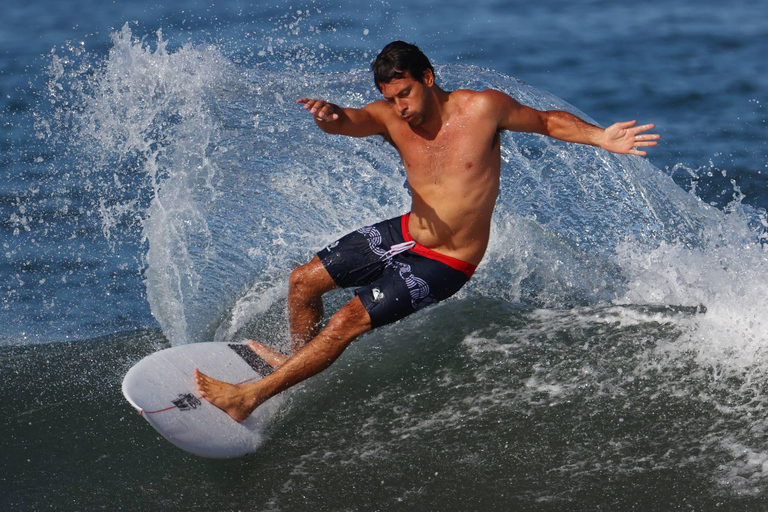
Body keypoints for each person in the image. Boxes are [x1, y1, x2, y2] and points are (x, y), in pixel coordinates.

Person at [194, 41, 659, 421]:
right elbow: (352, 120)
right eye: (391, 98)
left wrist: (600, 137)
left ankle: (249, 397)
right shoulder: (389, 116)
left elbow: (544, 121)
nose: (400, 108)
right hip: (408, 231)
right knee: (302, 281)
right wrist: (331, 118)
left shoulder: (482, 109)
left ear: (428, 79)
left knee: (344, 322)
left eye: (405, 95)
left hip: (449, 259)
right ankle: (293, 365)